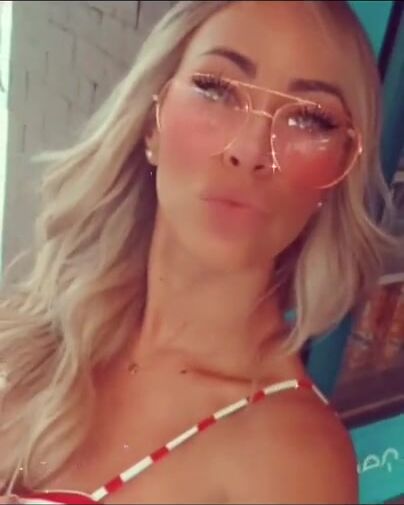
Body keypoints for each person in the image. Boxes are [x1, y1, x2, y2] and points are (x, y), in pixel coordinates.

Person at [0, 1, 396, 503]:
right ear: (152, 122)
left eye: (310, 119)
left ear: (339, 169)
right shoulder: (40, 329)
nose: (249, 150)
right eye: (217, 89)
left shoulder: (293, 462)